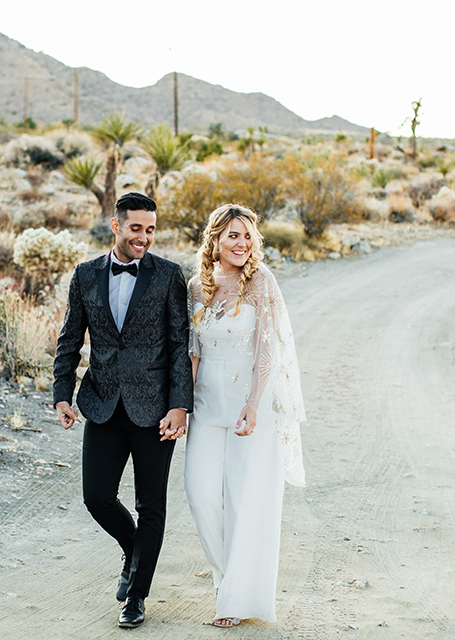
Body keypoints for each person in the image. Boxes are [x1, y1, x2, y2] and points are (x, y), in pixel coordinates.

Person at [52, 192, 194, 629]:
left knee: (152, 505)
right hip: (102, 403)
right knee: (96, 496)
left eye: (151, 230)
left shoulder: (169, 276)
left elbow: (178, 347)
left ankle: (136, 596)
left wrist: (179, 405)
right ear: (116, 226)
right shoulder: (85, 275)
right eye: (136, 229)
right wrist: (61, 392)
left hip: (155, 411)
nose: (144, 238)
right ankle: (134, 551)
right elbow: (70, 337)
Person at [184, 204, 306, 628]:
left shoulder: (261, 282)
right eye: (233, 235)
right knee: (200, 496)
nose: (241, 243)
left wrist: (254, 403)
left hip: (247, 408)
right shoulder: (197, 286)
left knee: (242, 501)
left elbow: (266, 349)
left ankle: (234, 597)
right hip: (204, 408)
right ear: (215, 239)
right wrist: (182, 405)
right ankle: (227, 579)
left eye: (247, 235)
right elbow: (193, 352)